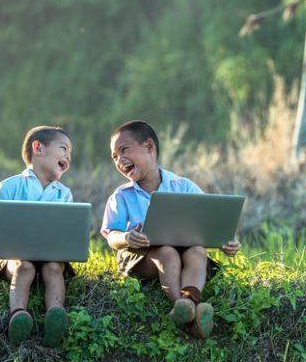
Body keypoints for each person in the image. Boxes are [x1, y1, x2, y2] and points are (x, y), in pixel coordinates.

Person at [100, 120, 240, 339]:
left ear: (148, 147)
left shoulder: (182, 186)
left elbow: (210, 220)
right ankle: (182, 306)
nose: (119, 160)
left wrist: (226, 241)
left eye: (124, 150)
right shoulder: (121, 196)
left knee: (198, 251)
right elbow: (111, 236)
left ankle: (187, 304)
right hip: (141, 257)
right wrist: (127, 238)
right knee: (167, 252)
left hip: (183, 250)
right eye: (114, 156)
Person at [0, 126, 74, 346]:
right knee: (25, 267)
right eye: (63, 148)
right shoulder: (11, 186)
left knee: (53, 267)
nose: (68, 156)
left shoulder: (63, 193)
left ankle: (55, 315)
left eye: (70, 152)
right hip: (16, 256)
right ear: (38, 148)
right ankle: (18, 315)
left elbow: (65, 231)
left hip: (51, 255)